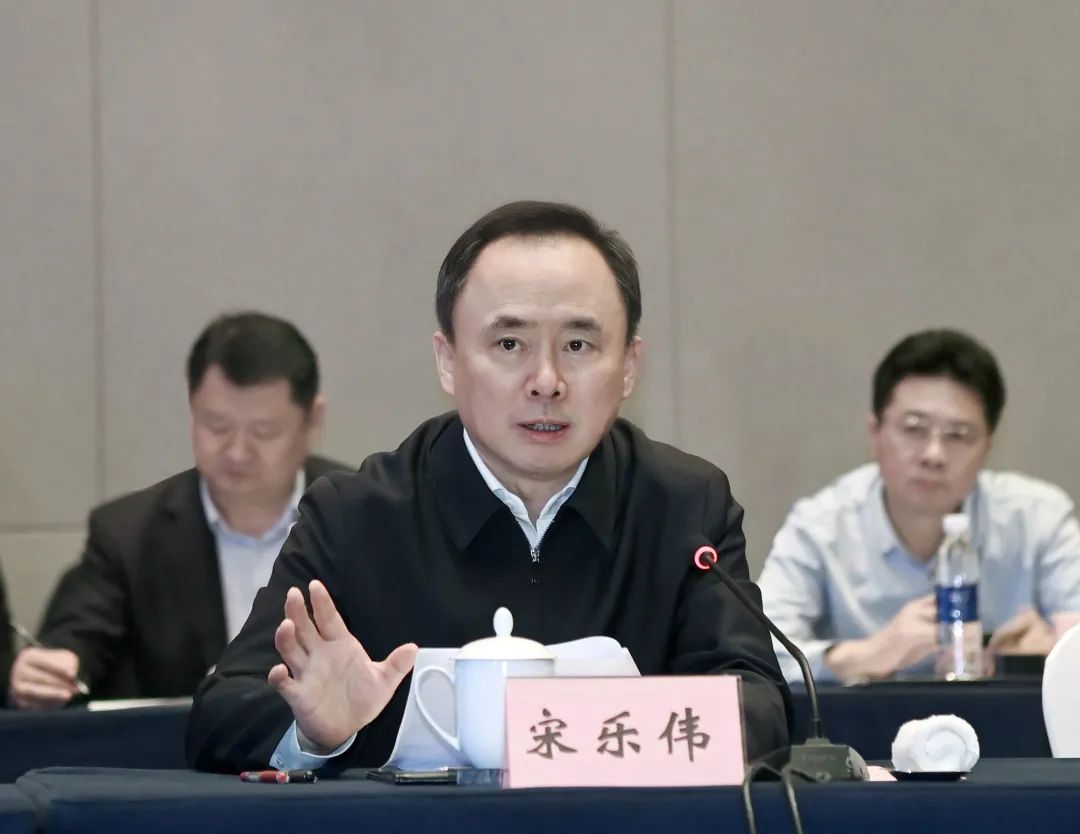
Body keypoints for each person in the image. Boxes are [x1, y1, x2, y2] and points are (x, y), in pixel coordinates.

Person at [186, 201, 791, 773]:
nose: (547, 381)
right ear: (448, 360)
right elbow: (224, 714)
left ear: (629, 366)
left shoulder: (684, 507)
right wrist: (324, 732)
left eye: (578, 345)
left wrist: (578, 726)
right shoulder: (357, 517)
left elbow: (760, 709)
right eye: (509, 344)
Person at [8, 312, 350, 709]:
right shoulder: (128, 534)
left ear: (312, 421)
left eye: (264, 432)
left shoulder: (360, 515)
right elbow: (76, 641)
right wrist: (49, 672)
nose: (238, 452)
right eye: (217, 426)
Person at [759, 329, 1080, 684]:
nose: (934, 455)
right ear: (875, 432)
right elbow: (756, 654)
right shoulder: (820, 526)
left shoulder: (1039, 520)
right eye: (914, 429)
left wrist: (1056, 654)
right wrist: (863, 656)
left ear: (988, 446)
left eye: (958, 435)